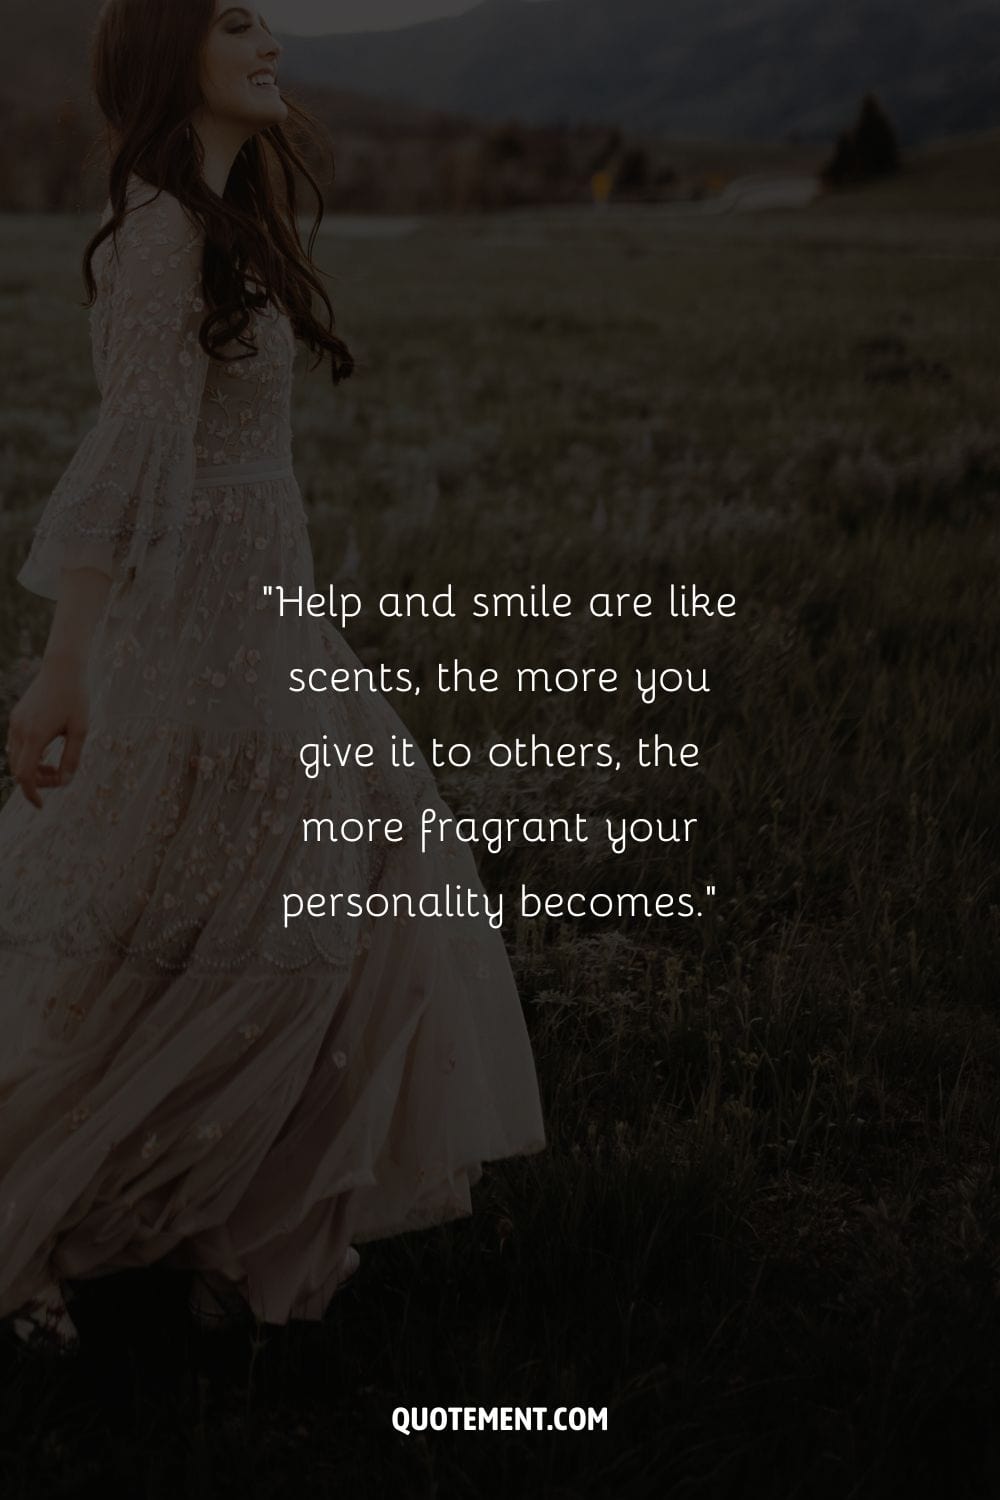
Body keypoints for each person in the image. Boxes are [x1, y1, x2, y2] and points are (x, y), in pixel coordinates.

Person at [0, 0, 545, 1355]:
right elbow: (133, 447)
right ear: (165, 48)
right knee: (201, 933)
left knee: (278, 923)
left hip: (264, 617)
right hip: (204, 637)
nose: (271, 40)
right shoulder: (164, 229)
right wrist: (68, 666)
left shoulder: (223, 217)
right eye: (235, 20)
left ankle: (220, 1219)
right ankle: (41, 1225)